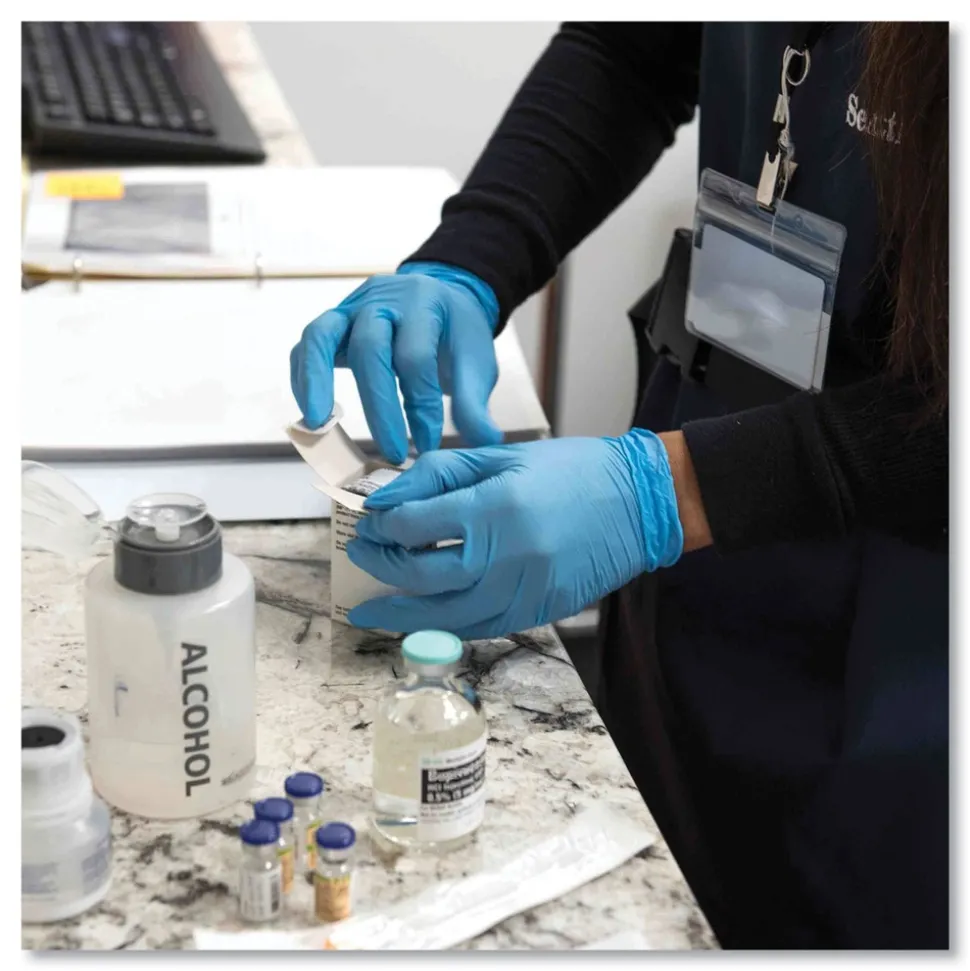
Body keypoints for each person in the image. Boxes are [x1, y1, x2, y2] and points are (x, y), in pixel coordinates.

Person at [290, 23, 948, 948]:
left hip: (910, 656)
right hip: (698, 534)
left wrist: (667, 491)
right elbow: (634, 50)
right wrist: (473, 257)